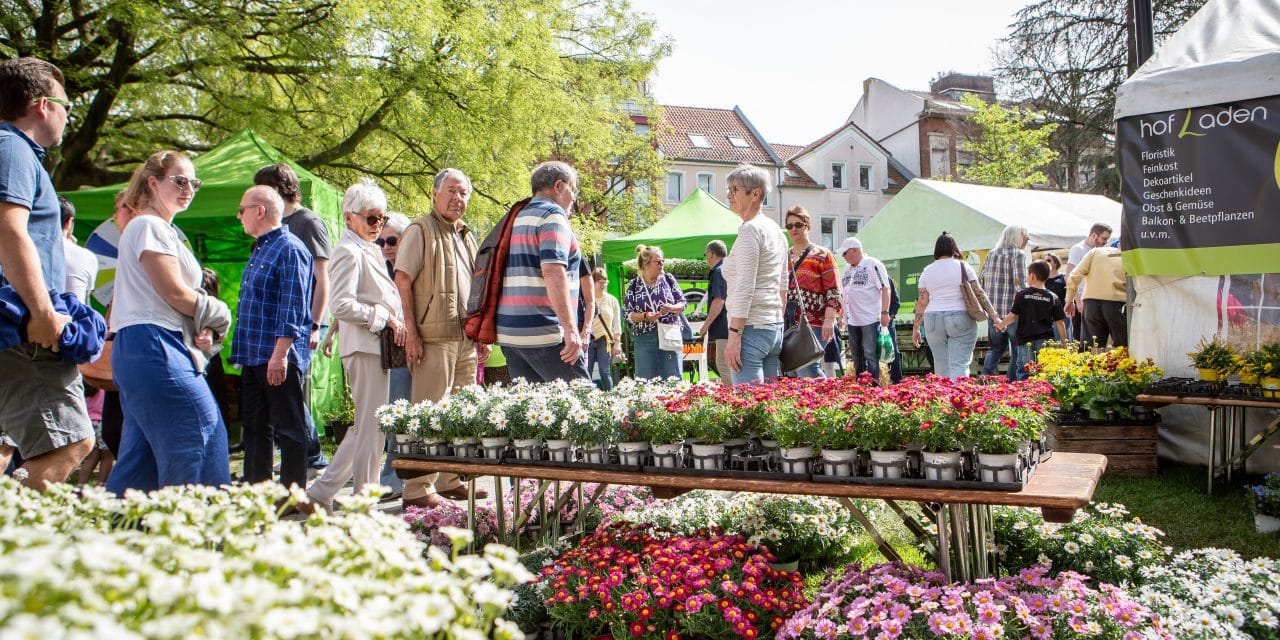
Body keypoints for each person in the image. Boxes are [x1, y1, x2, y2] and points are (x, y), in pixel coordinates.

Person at [106, 150, 231, 492]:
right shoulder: (150, 225)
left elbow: (170, 298)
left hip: (150, 346)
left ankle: (118, 535)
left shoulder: (159, 229)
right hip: (155, 346)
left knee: (140, 460)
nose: (188, 188)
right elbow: (173, 293)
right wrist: (220, 313)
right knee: (203, 435)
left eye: (194, 182)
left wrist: (201, 322)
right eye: (179, 180)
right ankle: (201, 535)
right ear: (152, 182)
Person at [0, 57, 97, 489]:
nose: (67, 116)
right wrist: (42, 311)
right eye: (67, 105)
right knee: (69, 443)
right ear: (42, 104)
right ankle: (20, 548)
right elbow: (8, 228)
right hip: (24, 328)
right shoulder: (12, 149)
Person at [303, 180, 406, 513]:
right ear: (350, 217)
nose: (378, 225)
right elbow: (342, 303)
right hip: (365, 346)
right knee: (373, 428)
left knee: (366, 426)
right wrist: (384, 318)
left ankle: (321, 493)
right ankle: (363, 501)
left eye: (381, 217)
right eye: (371, 218)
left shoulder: (368, 249)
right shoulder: (347, 250)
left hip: (373, 346)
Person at [394, 168, 488, 506]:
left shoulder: (465, 234)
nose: (457, 199)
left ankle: (451, 479)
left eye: (463, 193)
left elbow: (476, 288)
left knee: (462, 411)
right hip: (432, 338)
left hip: (464, 338)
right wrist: (412, 333)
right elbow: (402, 280)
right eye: (451, 191)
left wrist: (481, 334)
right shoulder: (420, 229)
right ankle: (418, 489)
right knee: (429, 412)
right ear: (435, 193)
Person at [230, 185, 314, 491]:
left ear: (259, 211)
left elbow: (292, 305)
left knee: (289, 427)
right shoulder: (261, 248)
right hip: (253, 354)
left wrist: (280, 354)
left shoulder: (290, 248)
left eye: (242, 210)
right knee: (254, 427)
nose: (239, 217)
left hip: (276, 355)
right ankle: (258, 488)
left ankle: (292, 494)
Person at [254, 163, 331, 471]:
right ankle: (300, 453)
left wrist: (314, 324)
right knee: (280, 391)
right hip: (279, 322)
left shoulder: (307, 221)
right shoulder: (272, 225)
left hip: (304, 322)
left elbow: (322, 277)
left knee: (291, 390)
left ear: (276, 188)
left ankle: (310, 456)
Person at [495, 161, 590, 383]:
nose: (574, 197)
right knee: (585, 406)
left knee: (536, 411)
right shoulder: (553, 216)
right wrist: (570, 329)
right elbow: (554, 272)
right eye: (572, 189)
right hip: (545, 331)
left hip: (510, 332)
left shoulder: (515, 217)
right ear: (558, 186)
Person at [722, 165, 786, 385]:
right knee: (770, 406)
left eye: (734, 189)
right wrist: (777, 317)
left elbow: (745, 287)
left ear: (755, 193)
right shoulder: (776, 231)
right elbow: (782, 285)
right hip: (773, 326)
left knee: (749, 409)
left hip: (751, 328)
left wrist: (734, 336)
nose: (729, 195)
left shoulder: (750, 230)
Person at [911, 232, 998, 379]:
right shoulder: (963, 267)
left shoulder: (927, 271)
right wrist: (994, 316)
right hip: (959, 316)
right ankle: (958, 399)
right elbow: (979, 293)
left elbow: (922, 301)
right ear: (954, 248)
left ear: (936, 250)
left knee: (941, 365)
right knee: (959, 364)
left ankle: (944, 399)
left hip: (933, 319)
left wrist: (916, 328)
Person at [783, 206, 842, 379]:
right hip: (789, 321)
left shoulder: (822, 255)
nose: (793, 229)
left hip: (813, 322)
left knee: (806, 366)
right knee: (792, 369)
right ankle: (804, 403)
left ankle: (824, 400)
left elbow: (834, 291)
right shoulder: (784, 256)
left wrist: (830, 320)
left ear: (808, 226)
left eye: (798, 224)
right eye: (789, 226)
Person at [376, 212, 410, 499]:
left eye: (392, 240)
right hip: (386, 349)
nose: (386, 246)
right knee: (392, 414)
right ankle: (390, 475)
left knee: (403, 412)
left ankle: (399, 476)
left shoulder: (414, 269)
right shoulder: (380, 269)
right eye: (382, 241)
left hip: (412, 349)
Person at [623, 245, 686, 380]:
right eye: (658, 261)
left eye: (663, 261)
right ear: (646, 264)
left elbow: (682, 303)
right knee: (645, 381)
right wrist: (645, 316)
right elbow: (628, 315)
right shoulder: (634, 285)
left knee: (673, 379)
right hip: (644, 338)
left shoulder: (668, 279)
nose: (661, 264)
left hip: (669, 334)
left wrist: (671, 308)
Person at [995, 260, 1067, 379]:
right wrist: (1064, 342)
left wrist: (1001, 325)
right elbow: (1060, 322)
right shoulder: (1052, 297)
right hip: (1045, 339)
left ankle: (1027, 395)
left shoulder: (1022, 294)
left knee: (1025, 370)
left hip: (1025, 339)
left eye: (1028, 274)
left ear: (1032, 276)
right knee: (1044, 371)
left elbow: (1012, 315)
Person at [979, 225, 1029, 380]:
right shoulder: (1018, 254)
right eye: (1024, 235)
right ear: (1018, 237)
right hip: (1013, 313)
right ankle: (1012, 383)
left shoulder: (991, 254)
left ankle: (985, 376)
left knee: (995, 348)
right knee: (1016, 350)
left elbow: (981, 279)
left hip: (993, 312)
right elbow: (1020, 284)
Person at [837, 237, 891, 381]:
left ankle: (874, 386)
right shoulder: (847, 270)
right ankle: (862, 386)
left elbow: (885, 288)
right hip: (852, 319)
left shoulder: (873, 264)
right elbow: (845, 294)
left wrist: (885, 312)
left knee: (870, 354)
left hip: (870, 318)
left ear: (854, 250)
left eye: (845, 253)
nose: (844, 257)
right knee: (856, 356)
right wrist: (842, 316)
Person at [1066, 239, 1127, 349]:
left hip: (1091, 304)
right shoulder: (1130, 257)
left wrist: (1069, 301)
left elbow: (1074, 276)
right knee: (1122, 347)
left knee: (1090, 347)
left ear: (1119, 243)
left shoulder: (1095, 252)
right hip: (1118, 304)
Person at [1064, 223, 1112, 344]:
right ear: (1094, 235)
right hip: (1083, 301)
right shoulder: (1078, 249)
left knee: (1096, 339)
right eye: (1104, 238)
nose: (1105, 242)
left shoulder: (1097, 251)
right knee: (1082, 340)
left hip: (1096, 300)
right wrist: (1077, 300)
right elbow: (1069, 276)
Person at [588, 268, 622, 390]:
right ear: (593, 282)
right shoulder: (587, 298)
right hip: (589, 339)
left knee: (605, 372)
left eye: (605, 282)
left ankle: (610, 398)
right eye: (600, 282)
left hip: (605, 339)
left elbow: (617, 323)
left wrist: (617, 343)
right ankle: (586, 399)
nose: (603, 285)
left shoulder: (612, 300)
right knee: (587, 371)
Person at [60, 196, 97, 304]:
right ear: (69, 222)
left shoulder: (27, 251)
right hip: (72, 318)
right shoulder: (87, 257)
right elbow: (86, 296)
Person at [702, 240, 730, 379]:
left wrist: (705, 326)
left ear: (711, 254)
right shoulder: (730, 268)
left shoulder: (718, 272)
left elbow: (718, 301)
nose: (706, 257)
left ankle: (734, 398)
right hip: (734, 325)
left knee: (724, 364)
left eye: (706, 254)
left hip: (723, 327)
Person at [1043, 253, 1069, 341]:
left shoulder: (1063, 277)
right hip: (1046, 315)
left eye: (1049, 260)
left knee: (1063, 340)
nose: (1046, 262)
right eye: (1045, 260)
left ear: (1056, 263)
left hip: (1062, 314)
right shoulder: (1042, 279)